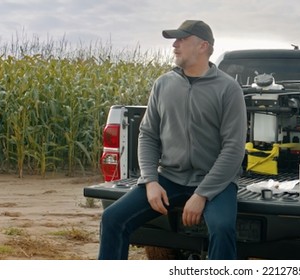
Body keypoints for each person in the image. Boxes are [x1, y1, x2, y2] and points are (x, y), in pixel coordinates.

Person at [98, 20, 247, 260]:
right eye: (174, 41)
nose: (174, 45)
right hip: (170, 178)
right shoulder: (163, 84)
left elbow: (233, 149)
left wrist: (202, 195)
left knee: (222, 228)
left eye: (181, 39)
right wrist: (150, 181)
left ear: (202, 46)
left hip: (215, 183)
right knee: (112, 219)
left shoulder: (228, 89)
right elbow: (147, 135)